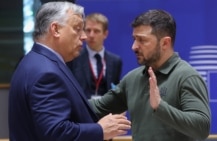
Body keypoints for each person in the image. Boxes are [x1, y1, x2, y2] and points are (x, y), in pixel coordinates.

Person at [8, 1, 130, 141]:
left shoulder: (36, 61)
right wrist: (100, 130)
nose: (84, 37)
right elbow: (56, 132)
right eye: (77, 28)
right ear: (55, 30)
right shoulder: (46, 73)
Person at [89, 9, 211, 141]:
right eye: (134, 39)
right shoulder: (132, 79)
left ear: (165, 43)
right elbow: (96, 108)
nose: (134, 46)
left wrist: (160, 107)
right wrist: (66, 97)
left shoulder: (186, 77)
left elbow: (202, 128)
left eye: (142, 40)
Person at [67, 13, 122, 99]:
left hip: (106, 110)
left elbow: (115, 90)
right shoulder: (74, 57)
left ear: (105, 34)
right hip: (81, 109)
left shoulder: (115, 61)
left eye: (96, 31)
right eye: (88, 30)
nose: (91, 35)